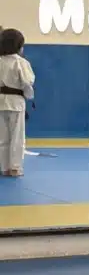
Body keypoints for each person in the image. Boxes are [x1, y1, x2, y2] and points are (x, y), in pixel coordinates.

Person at [0, 28, 35, 178]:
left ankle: (4, 167)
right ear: (18, 45)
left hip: (0, 102)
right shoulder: (21, 63)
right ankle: (15, 168)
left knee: (2, 137)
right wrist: (28, 96)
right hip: (16, 103)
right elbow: (27, 83)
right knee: (17, 137)